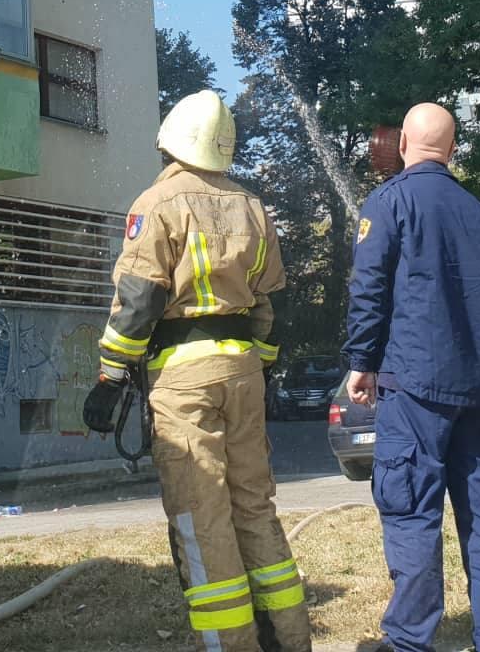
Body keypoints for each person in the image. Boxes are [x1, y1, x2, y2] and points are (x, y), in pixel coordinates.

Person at [82, 90, 311, 652]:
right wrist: (258, 369)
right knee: (253, 503)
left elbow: (138, 302)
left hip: (183, 381)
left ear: (171, 141)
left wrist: (111, 375)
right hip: (243, 374)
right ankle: (289, 637)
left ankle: (231, 643)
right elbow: (271, 308)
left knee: (200, 510)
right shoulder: (253, 208)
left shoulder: (158, 203)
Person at [344, 103, 480, 652]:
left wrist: (361, 361)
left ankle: (409, 643)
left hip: (416, 386)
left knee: (412, 511)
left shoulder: (389, 202)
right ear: (453, 148)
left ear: (402, 146)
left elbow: (368, 289)